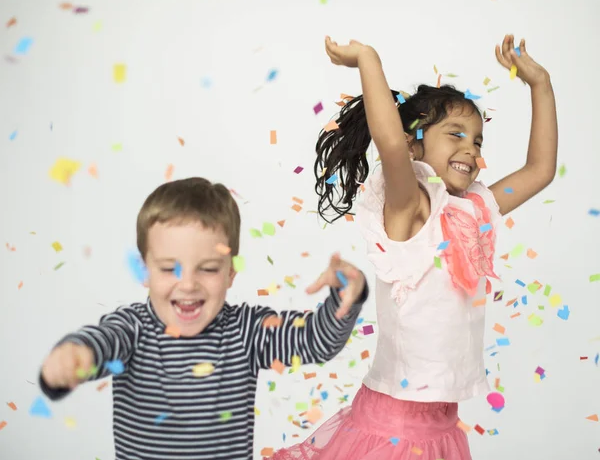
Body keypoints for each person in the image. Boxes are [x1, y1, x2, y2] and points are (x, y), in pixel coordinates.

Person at [270, 34, 557, 460]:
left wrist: (541, 84)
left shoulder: (475, 208)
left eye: (477, 140)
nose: (470, 148)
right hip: (393, 431)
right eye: (455, 134)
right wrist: (368, 60)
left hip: (443, 427)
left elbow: (539, 170)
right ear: (413, 142)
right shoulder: (410, 206)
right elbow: (388, 143)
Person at [39, 176, 369, 460]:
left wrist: (343, 295)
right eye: (170, 268)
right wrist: (73, 357)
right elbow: (100, 343)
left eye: (208, 269)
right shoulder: (132, 328)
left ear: (230, 273)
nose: (188, 284)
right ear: (144, 270)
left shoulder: (246, 331)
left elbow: (314, 342)